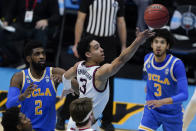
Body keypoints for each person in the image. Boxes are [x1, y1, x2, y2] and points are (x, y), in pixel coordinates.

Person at [59, 28, 154, 131]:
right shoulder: (100, 72)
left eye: (100, 46)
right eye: (96, 48)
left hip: (74, 122)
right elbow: (121, 59)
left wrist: (68, 87)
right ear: (88, 54)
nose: (101, 49)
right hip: (86, 126)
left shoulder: (79, 66)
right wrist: (138, 41)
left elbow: (65, 76)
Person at [61, 0, 127, 130]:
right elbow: (80, 19)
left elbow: (121, 21)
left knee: (108, 82)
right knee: (79, 78)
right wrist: (76, 42)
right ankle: (63, 115)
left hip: (109, 43)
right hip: (91, 41)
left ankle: (107, 121)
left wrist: (124, 45)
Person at [5, 40, 65, 131]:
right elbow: (9, 105)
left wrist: (67, 82)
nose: (42, 57)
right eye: (37, 54)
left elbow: (77, 85)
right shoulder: (19, 77)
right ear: (29, 59)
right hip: (28, 128)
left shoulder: (55, 72)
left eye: (43, 53)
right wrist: (23, 96)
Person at [138, 29, 189, 131]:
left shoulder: (176, 65)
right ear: (151, 44)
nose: (158, 45)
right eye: (156, 42)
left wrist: (161, 102)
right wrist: (148, 86)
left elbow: (184, 95)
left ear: (167, 46)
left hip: (172, 113)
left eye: (162, 42)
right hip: (152, 110)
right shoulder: (147, 59)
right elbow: (151, 76)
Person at [0, 0, 60, 66]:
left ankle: (35, 65)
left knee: (41, 35)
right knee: (4, 34)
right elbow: (11, 12)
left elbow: (56, 16)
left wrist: (47, 21)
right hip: (22, 25)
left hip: (38, 26)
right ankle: (16, 60)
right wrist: (6, 21)